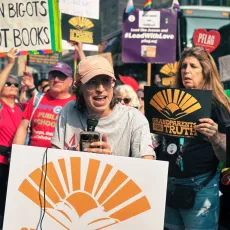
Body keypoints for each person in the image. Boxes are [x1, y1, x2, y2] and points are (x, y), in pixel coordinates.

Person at [158, 47, 230, 230]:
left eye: (193, 66)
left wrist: (215, 137)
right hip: (168, 186)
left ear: (205, 71)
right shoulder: (167, 100)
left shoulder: (217, 105)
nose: (186, 71)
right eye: (183, 66)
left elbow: (226, 155)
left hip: (201, 187)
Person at [51, 55, 155, 160]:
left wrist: (109, 162)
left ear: (113, 83)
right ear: (79, 87)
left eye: (106, 81)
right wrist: (75, 158)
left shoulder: (133, 118)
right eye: (92, 82)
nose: (100, 89)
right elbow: (53, 160)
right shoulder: (69, 110)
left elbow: (147, 167)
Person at [13, 62, 75, 148]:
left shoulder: (75, 103)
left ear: (70, 82)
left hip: (61, 158)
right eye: (53, 76)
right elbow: (23, 127)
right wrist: (16, 154)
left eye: (61, 76)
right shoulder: (37, 99)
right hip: (33, 156)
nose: (56, 80)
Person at [0, 48, 23, 228]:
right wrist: (9, 65)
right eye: (8, 84)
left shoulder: (22, 108)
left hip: (16, 162)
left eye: (16, 85)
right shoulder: (0, 106)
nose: (13, 86)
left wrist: (30, 87)